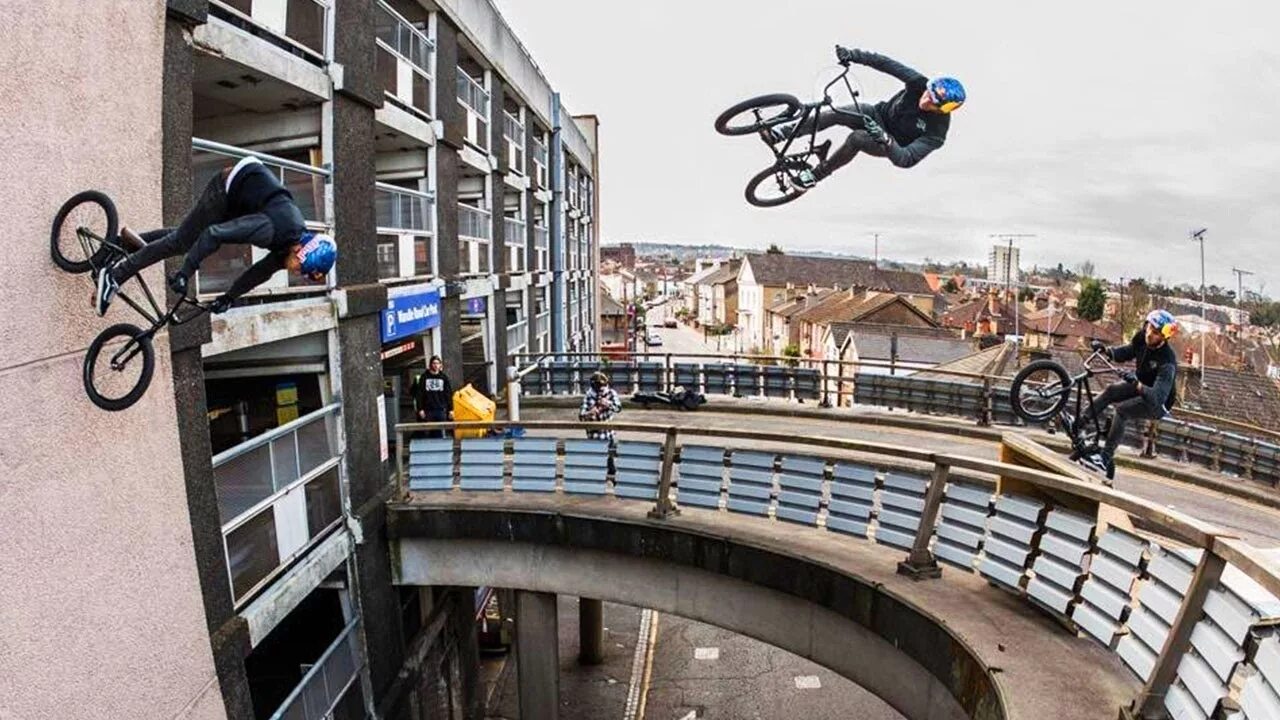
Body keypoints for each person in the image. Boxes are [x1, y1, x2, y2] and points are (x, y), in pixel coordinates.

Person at [94, 155, 337, 316]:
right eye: (300, 268)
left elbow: (259, 272)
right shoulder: (272, 229)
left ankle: (121, 244)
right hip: (227, 187)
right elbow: (214, 233)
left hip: (243, 199)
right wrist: (185, 272)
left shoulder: (289, 247)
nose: (296, 272)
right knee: (183, 243)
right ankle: (114, 275)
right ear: (301, 251)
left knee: (187, 236)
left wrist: (230, 298)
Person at [773, 45, 965, 188]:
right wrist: (854, 55)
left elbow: (906, 159)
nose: (925, 101)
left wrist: (887, 141)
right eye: (927, 94)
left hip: (890, 143)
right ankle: (783, 133)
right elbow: (886, 64)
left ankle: (816, 175)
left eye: (932, 103)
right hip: (876, 114)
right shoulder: (919, 83)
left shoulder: (937, 132)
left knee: (857, 138)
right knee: (837, 112)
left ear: (943, 109)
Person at [1075, 310, 1180, 480]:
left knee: (1122, 411)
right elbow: (1128, 351)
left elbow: (1156, 397)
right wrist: (1107, 350)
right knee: (1111, 391)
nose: (1149, 335)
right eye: (1149, 329)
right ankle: (1080, 422)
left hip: (1158, 402)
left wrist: (1136, 383)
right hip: (1141, 382)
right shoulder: (1142, 337)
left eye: (1155, 333)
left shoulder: (1167, 362)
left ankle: (1105, 458)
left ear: (1164, 338)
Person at [412, 356, 454, 439]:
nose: (436, 365)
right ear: (430, 365)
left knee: (439, 433)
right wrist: (420, 409)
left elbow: (448, 394)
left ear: (440, 365)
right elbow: (419, 394)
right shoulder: (424, 377)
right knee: (427, 433)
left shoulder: (444, 378)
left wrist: (451, 410)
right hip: (428, 410)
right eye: (434, 363)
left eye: (437, 363)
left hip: (441, 409)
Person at [579, 372, 622, 442]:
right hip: (593, 435)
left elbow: (618, 408)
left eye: (604, 385)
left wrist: (608, 404)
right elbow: (581, 416)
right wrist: (589, 413)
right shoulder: (588, 395)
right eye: (599, 386)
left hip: (609, 434)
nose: (602, 389)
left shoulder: (611, 393)